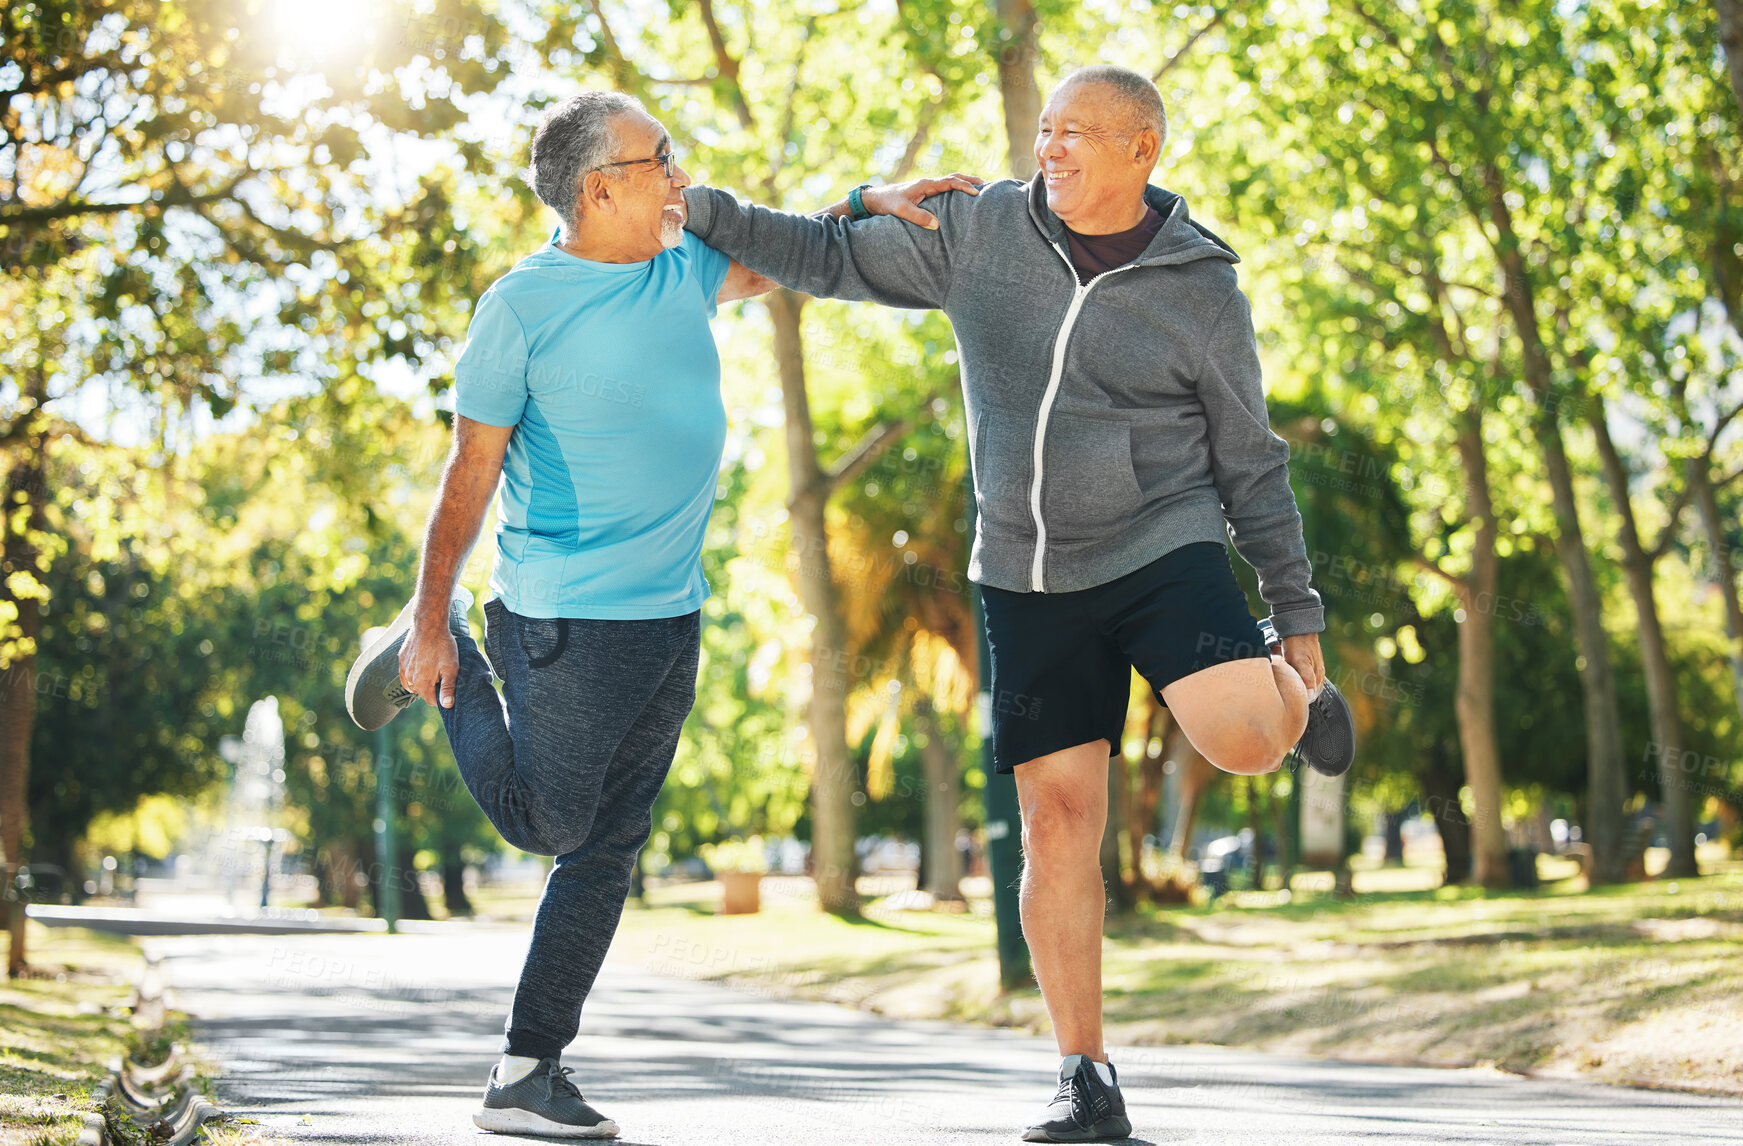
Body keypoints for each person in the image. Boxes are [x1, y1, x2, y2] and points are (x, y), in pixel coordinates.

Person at [678, 64, 1356, 1143]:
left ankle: (1296, 690)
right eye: (1046, 130)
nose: (1052, 149)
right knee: (1055, 820)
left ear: (1144, 152)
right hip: (1027, 573)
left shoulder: (1200, 286)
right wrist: (711, 206)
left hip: (1162, 542)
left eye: (1079, 134)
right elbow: (820, 258)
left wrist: (1299, 608)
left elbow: (1251, 460)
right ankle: (1083, 1073)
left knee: (1238, 740)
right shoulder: (981, 232)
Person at [342, 90, 978, 1139]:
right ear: (599, 190)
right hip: (563, 620)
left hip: (669, 615)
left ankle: (526, 1070)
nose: (681, 174)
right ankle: (442, 650)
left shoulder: (682, 264)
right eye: (660, 159)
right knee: (548, 824)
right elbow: (470, 471)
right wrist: (428, 612)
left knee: (609, 847)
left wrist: (868, 199)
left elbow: (792, 253)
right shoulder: (521, 307)